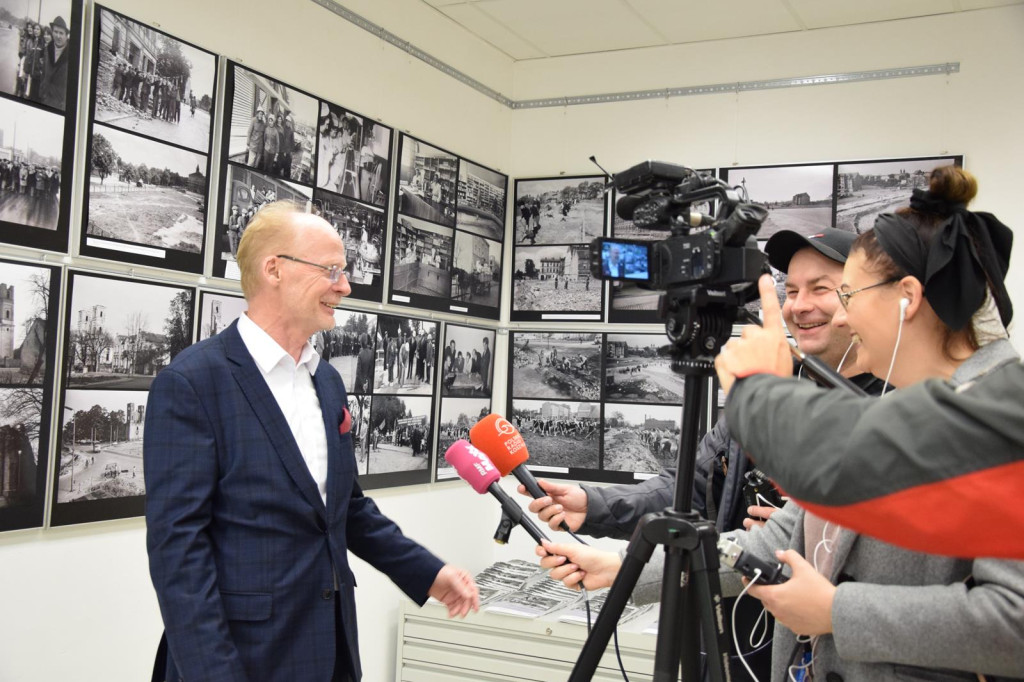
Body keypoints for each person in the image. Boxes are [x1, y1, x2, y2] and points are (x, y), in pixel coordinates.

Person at [545, 168, 1024, 682]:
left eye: (845, 294)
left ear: (906, 296)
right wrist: (626, 570)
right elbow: (776, 540)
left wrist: (838, 611)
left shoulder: (1001, 417)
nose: (841, 317)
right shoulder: (912, 405)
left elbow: (1013, 622)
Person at [145, 202, 478, 682]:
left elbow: (346, 510)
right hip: (239, 660)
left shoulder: (326, 381)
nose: (344, 286)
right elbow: (178, 553)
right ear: (274, 269)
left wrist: (428, 573)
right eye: (331, 270)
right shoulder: (193, 383)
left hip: (331, 651)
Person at [38, 16, 68, 109]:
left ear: (66, 35)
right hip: (45, 98)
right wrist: (42, 90)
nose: (58, 36)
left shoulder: (72, 54)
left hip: (59, 104)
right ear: (52, 32)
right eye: (55, 32)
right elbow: (44, 72)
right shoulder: (48, 49)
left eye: (61, 33)